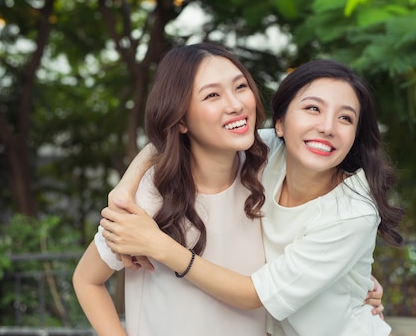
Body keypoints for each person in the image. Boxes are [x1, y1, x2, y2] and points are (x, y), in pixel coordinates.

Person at [102, 59, 403, 336]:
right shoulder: (270, 152)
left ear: (354, 137)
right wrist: (124, 189)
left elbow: (252, 295)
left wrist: (158, 245)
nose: (326, 127)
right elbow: (187, 137)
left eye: (346, 119)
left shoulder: (352, 213)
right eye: (313, 108)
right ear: (280, 124)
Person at [73, 43, 270, 336]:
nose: (236, 104)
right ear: (180, 120)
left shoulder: (271, 170)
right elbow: (86, 280)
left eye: (240, 87)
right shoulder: (149, 195)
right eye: (212, 95)